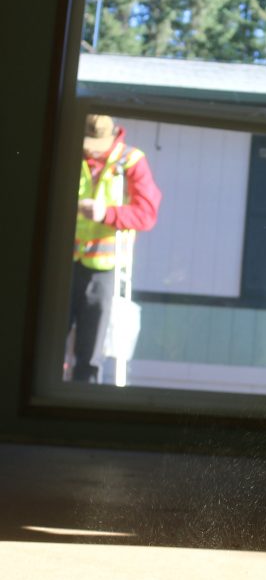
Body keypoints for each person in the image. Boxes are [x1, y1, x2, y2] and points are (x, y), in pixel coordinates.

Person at [69, 114, 161, 383]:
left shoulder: (130, 161)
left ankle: (81, 400)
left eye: (95, 144)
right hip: (60, 261)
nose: (90, 150)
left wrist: (105, 213)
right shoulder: (68, 152)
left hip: (103, 266)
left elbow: (146, 215)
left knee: (90, 349)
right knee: (47, 341)